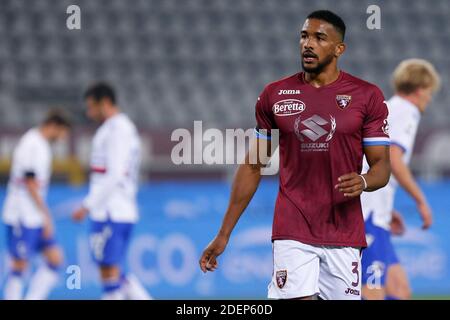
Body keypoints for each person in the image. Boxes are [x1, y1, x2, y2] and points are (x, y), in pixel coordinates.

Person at [199, 10, 392, 300]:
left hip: (343, 231)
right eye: (304, 36)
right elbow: (253, 165)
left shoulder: (367, 96)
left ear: (339, 49)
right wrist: (224, 232)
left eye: (319, 38)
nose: (308, 44)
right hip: (293, 227)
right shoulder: (275, 95)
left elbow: (381, 168)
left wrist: (364, 181)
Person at [361, 59, 441, 300]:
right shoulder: (408, 111)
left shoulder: (388, 108)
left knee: (399, 290)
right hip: (367, 215)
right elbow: (393, 159)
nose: (429, 98)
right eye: (429, 92)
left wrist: (387, 207)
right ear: (421, 90)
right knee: (372, 291)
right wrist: (420, 200)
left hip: (375, 211)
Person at [72, 83, 151, 300]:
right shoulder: (120, 128)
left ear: (105, 102)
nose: (89, 113)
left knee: (108, 272)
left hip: (111, 211)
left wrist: (86, 205)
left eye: (91, 107)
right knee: (116, 272)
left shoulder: (117, 129)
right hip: (118, 209)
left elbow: (115, 174)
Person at [2, 110, 71, 300]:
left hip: (34, 216)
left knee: (55, 259)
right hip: (21, 214)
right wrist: (46, 215)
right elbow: (30, 183)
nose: (63, 138)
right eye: (63, 132)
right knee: (19, 265)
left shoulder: (42, 146)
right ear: (54, 126)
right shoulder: (30, 143)